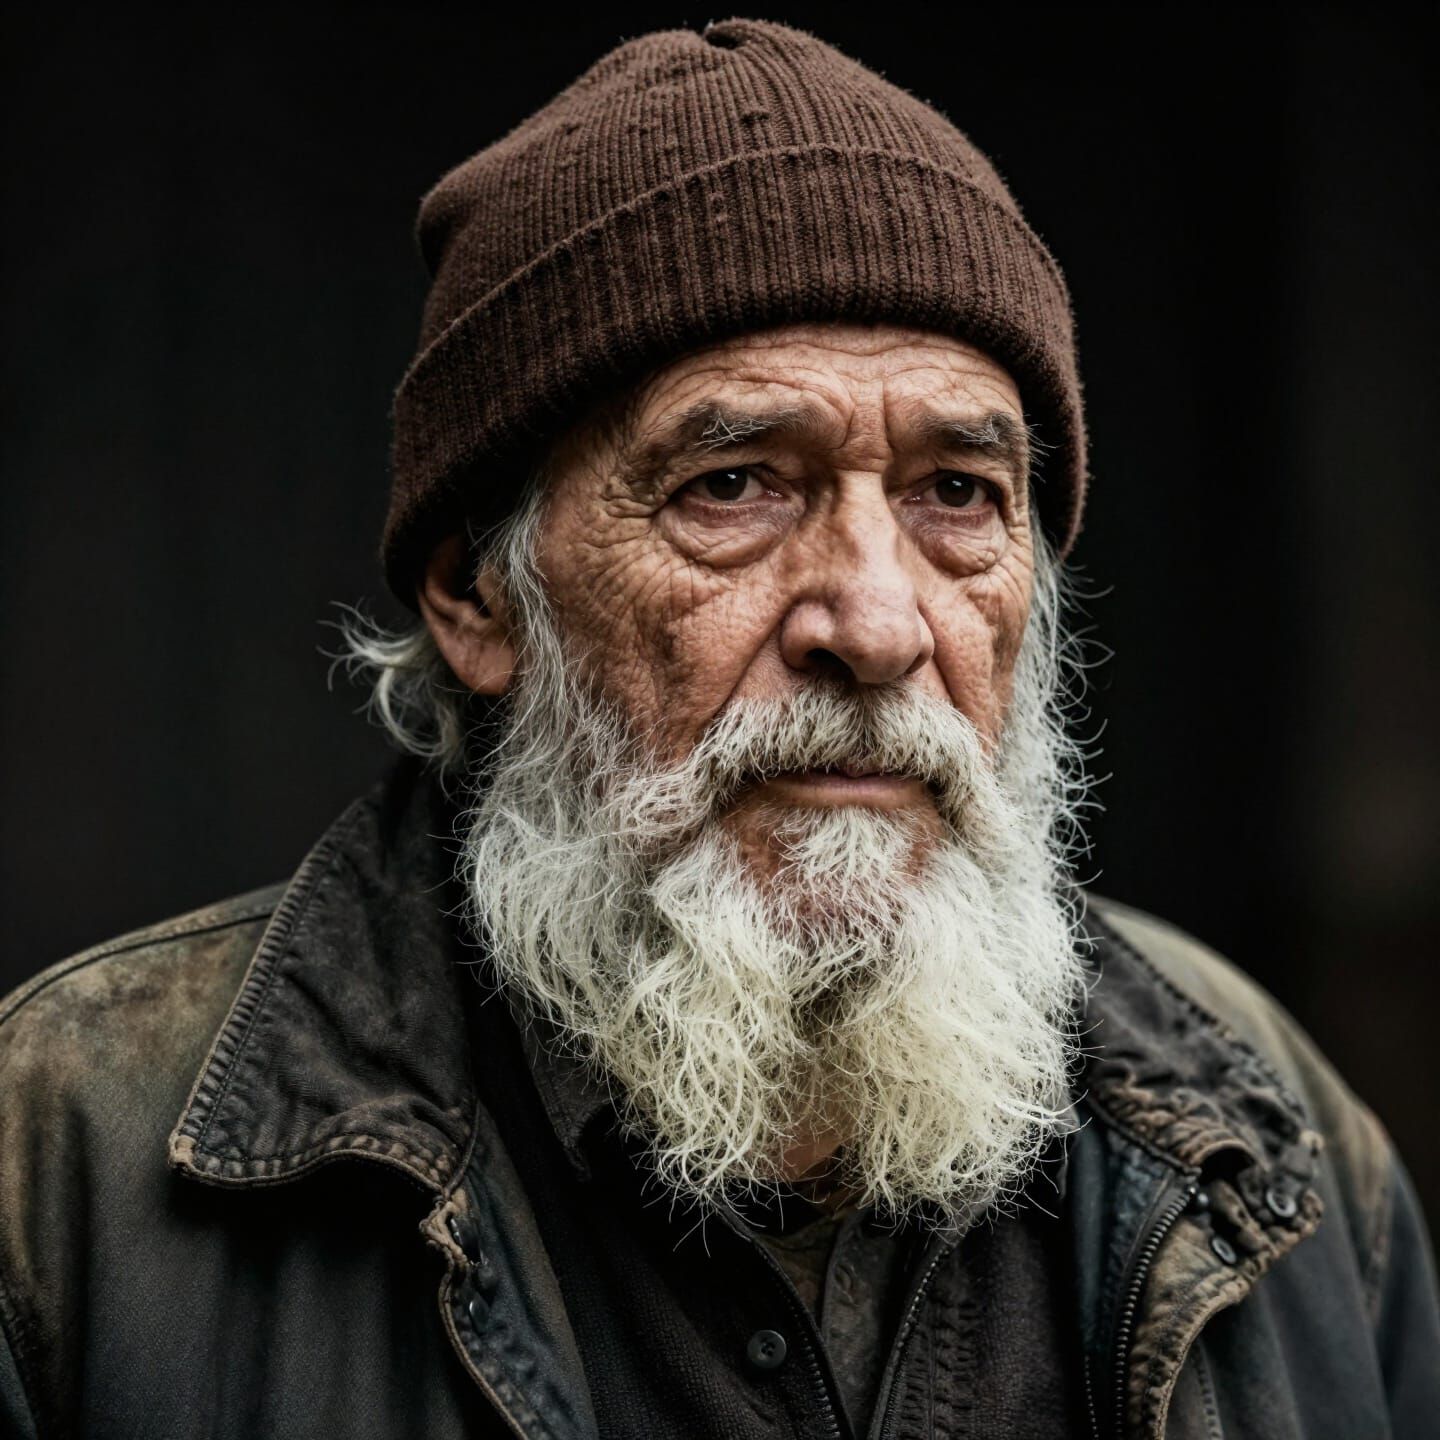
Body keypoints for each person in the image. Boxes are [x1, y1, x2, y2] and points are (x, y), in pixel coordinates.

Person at [1, 17, 1435, 1439]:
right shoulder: (66, 1174)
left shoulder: (1267, 1135)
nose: (877, 628)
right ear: (477, 593)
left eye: (957, 496)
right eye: (735, 484)